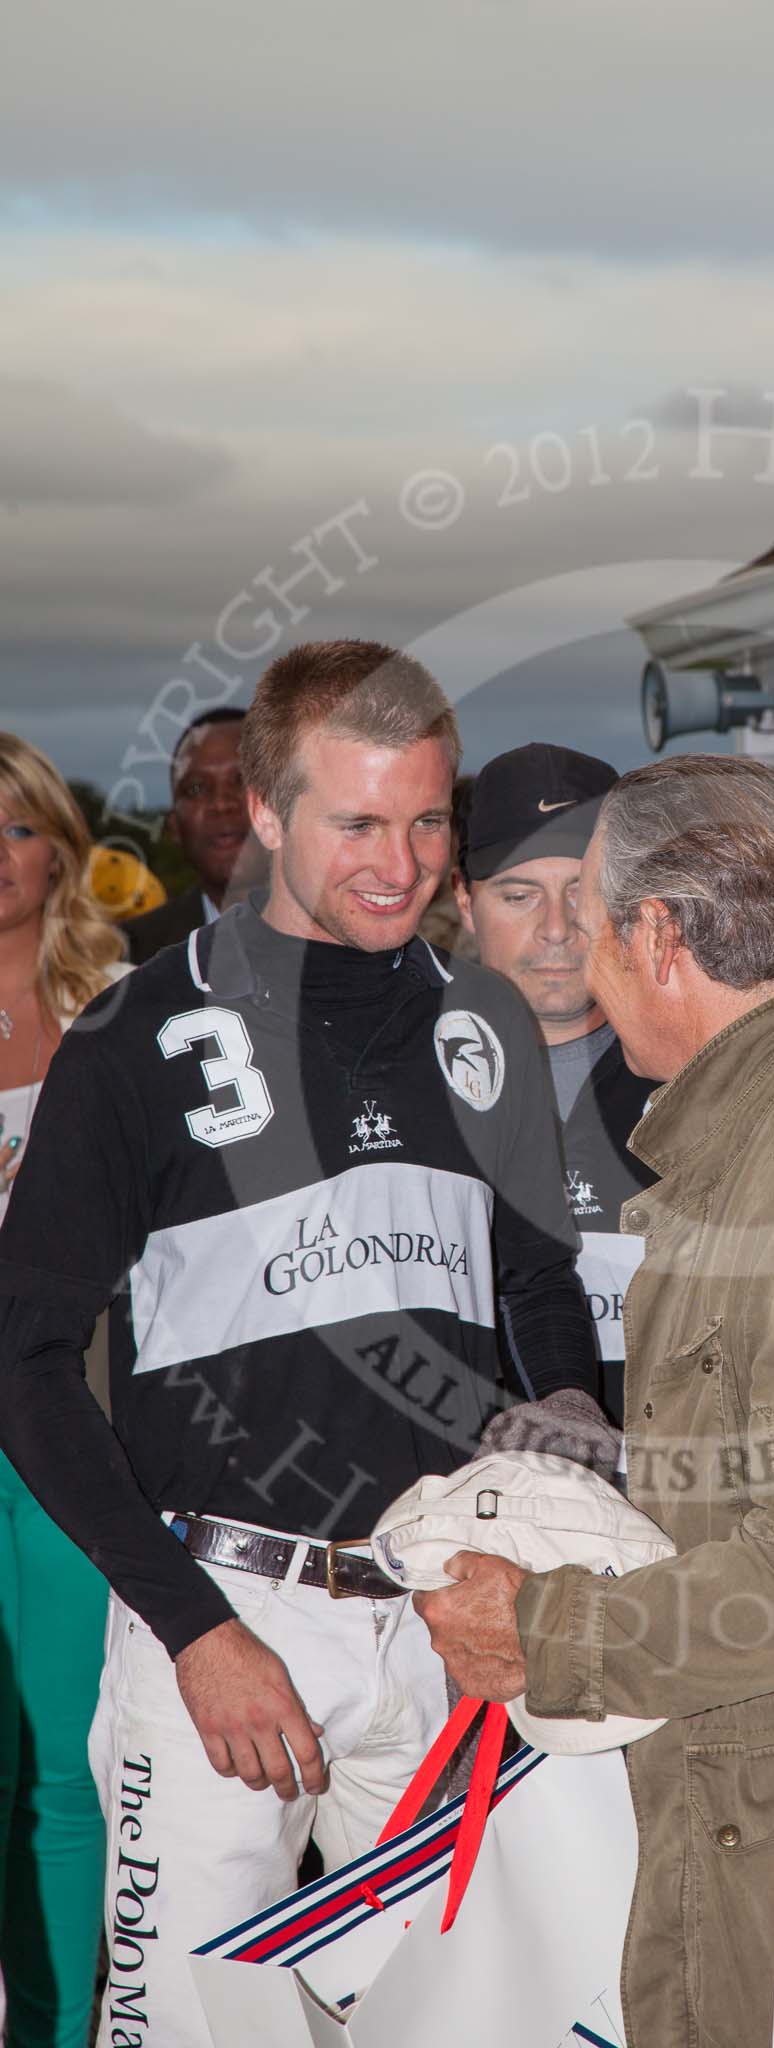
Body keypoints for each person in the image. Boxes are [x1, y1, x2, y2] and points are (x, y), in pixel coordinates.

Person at [0, 640, 598, 2048]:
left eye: (429, 820)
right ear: (266, 810)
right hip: (224, 1620)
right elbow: (23, 1363)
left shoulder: (484, 1021)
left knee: (477, 2021)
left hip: (443, 1612)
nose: (402, 864)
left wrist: (568, 1426)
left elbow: (537, 1284)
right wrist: (195, 1627)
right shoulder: (134, 1034)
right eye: (359, 823)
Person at [415, 754, 774, 2048]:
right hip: (745, 1797)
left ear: (661, 936)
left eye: (598, 921)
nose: (581, 957)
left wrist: (549, 1629)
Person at [0, 735, 128, 2048]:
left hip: (66, 1420)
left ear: (59, 851)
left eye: (16, 826)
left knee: (63, 1766)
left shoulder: (124, 1010)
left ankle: (55, 2029)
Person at [455, 743, 654, 1426]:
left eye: (583, 891)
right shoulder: (408, 1086)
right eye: (519, 895)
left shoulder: (708, 1083)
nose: (556, 929)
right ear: (464, 899)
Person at [123, 707, 264, 963]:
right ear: (174, 826)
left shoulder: (342, 935)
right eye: (197, 789)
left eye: (243, 780)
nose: (221, 804)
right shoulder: (129, 956)